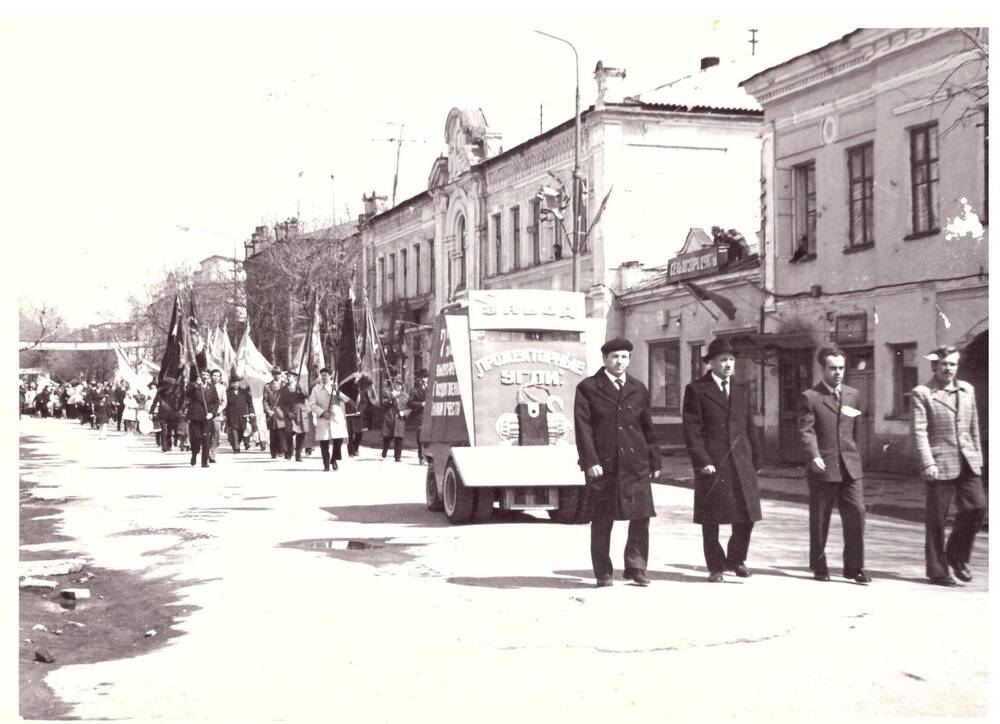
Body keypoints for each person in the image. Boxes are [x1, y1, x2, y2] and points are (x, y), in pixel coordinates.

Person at [574, 337, 661, 588]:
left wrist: (655, 460)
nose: (619, 361)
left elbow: (647, 427)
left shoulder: (638, 388)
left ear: (629, 359)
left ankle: (636, 567)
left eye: (624, 357)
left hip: (636, 465)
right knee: (602, 519)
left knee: (640, 517)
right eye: (614, 357)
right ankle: (603, 572)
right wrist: (590, 461)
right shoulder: (588, 388)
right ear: (604, 360)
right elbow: (583, 428)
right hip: (604, 466)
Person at [681, 337, 762, 582]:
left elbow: (749, 426)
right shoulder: (696, 389)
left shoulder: (741, 389)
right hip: (713, 462)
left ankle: (736, 559)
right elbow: (692, 429)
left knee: (747, 515)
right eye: (723, 360)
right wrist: (702, 460)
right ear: (711, 363)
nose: (728, 364)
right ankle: (716, 566)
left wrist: (756, 459)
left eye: (731, 360)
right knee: (712, 518)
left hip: (742, 462)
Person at [910, 345, 986, 587]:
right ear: (934, 366)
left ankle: (957, 556)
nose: (948, 369)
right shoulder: (922, 393)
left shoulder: (967, 390)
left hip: (967, 460)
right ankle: (937, 570)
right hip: (939, 462)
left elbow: (974, 426)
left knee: (977, 507)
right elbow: (919, 432)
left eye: (953, 364)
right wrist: (927, 462)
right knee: (937, 519)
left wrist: (979, 459)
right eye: (943, 364)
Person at [797, 347, 870, 584]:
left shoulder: (853, 395)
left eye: (841, 367)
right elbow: (806, 431)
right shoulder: (810, 397)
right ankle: (819, 565)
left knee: (857, 514)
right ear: (822, 369)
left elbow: (856, 430)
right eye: (833, 368)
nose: (838, 372)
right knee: (820, 518)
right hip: (824, 466)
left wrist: (857, 457)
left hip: (850, 466)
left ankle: (854, 567)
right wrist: (814, 455)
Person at [309, 368, 349, 471]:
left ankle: (334, 459)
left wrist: (337, 391)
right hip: (323, 417)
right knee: (324, 442)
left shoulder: (335, 386)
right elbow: (312, 404)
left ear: (330, 376)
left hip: (335, 417)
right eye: (322, 375)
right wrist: (322, 412)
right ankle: (326, 465)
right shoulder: (316, 389)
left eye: (325, 375)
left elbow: (346, 400)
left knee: (338, 440)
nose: (323, 377)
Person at [186, 372, 218, 468]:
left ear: (209, 377)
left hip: (207, 417)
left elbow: (216, 401)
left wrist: (212, 413)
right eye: (203, 375)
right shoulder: (192, 385)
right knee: (196, 438)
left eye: (207, 375)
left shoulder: (211, 387)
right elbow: (187, 395)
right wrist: (196, 386)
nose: (205, 377)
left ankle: (204, 461)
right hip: (195, 416)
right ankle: (194, 453)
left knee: (206, 439)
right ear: (199, 376)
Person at [224, 377, 255, 453]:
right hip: (231, 415)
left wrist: (251, 412)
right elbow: (224, 404)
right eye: (234, 383)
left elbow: (250, 403)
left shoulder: (244, 392)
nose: (235, 384)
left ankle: (238, 442)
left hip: (242, 415)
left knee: (241, 431)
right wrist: (224, 414)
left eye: (237, 382)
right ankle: (236, 447)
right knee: (233, 430)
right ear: (231, 384)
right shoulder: (227, 392)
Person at [281, 373, 307, 461]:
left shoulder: (301, 385)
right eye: (287, 376)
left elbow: (307, 395)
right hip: (289, 414)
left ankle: (298, 454)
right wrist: (288, 413)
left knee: (301, 434)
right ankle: (289, 453)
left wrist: (301, 388)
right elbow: (282, 403)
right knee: (288, 433)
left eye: (289, 376)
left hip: (300, 413)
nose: (287, 378)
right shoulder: (283, 388)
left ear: (295, 377)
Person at [380, 378, 408, 462]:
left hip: (399, 420)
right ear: (394, 384)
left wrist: (405, 413)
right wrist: (391, 399)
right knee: (387, 438)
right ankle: (384, 453)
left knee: (399, 439)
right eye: (396, 384)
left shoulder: (405, 396)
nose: (398, 386)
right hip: (390, 419)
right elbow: (383, 403)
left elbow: (409, 407)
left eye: (400, 384)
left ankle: (397, 457)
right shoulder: (388, 393)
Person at [263, 367, 286, 459]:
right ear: (272, 375)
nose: (277, 375)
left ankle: (282, 450)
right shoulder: (267, 386)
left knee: (282, 432)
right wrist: (268, 411)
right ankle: (273, 452)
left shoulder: (285, 385)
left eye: (278, 373)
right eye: (274, 373)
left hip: (282, 412)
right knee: (273, 433)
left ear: (281, 374)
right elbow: (264, 401)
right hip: (271, 412)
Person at [408, 369, 429, 464]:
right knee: (421, 437)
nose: (424, 380)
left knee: (430, 436)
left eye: (426, 377)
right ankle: (422, 456)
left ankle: (429, 455)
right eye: (423, 378)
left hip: (431, 416)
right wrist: (421, 404)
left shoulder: (433, 387)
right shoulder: (414, 390)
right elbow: (410, 403)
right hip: (420, 416)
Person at [209, 369, 228, 462]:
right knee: (207, 433)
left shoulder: (222, 388)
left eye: (218, 376)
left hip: (217, 414)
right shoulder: (207, 386)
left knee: (216, 433)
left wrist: (219, 409)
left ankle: (212, 453)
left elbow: (224, 402)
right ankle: (208, 452)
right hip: (207, 413)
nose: (216, 377)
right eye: (214, 375)